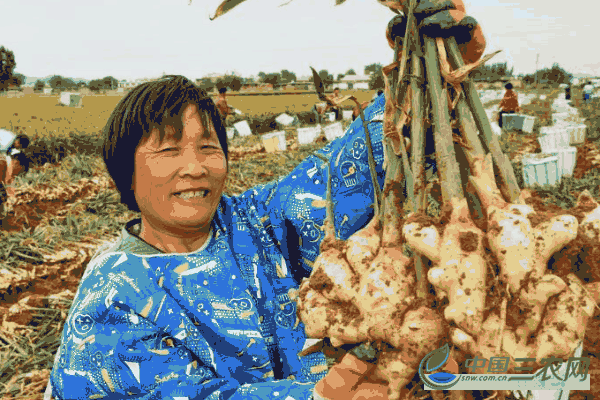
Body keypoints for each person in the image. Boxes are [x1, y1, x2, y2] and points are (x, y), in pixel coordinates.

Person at [47, 2, 486, 399]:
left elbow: (347, 168)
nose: (195, 167)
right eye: (168, 150)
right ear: (126, 172)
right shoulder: (112, 296)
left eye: (207, 146)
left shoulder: (253, 223)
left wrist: (438, 63)